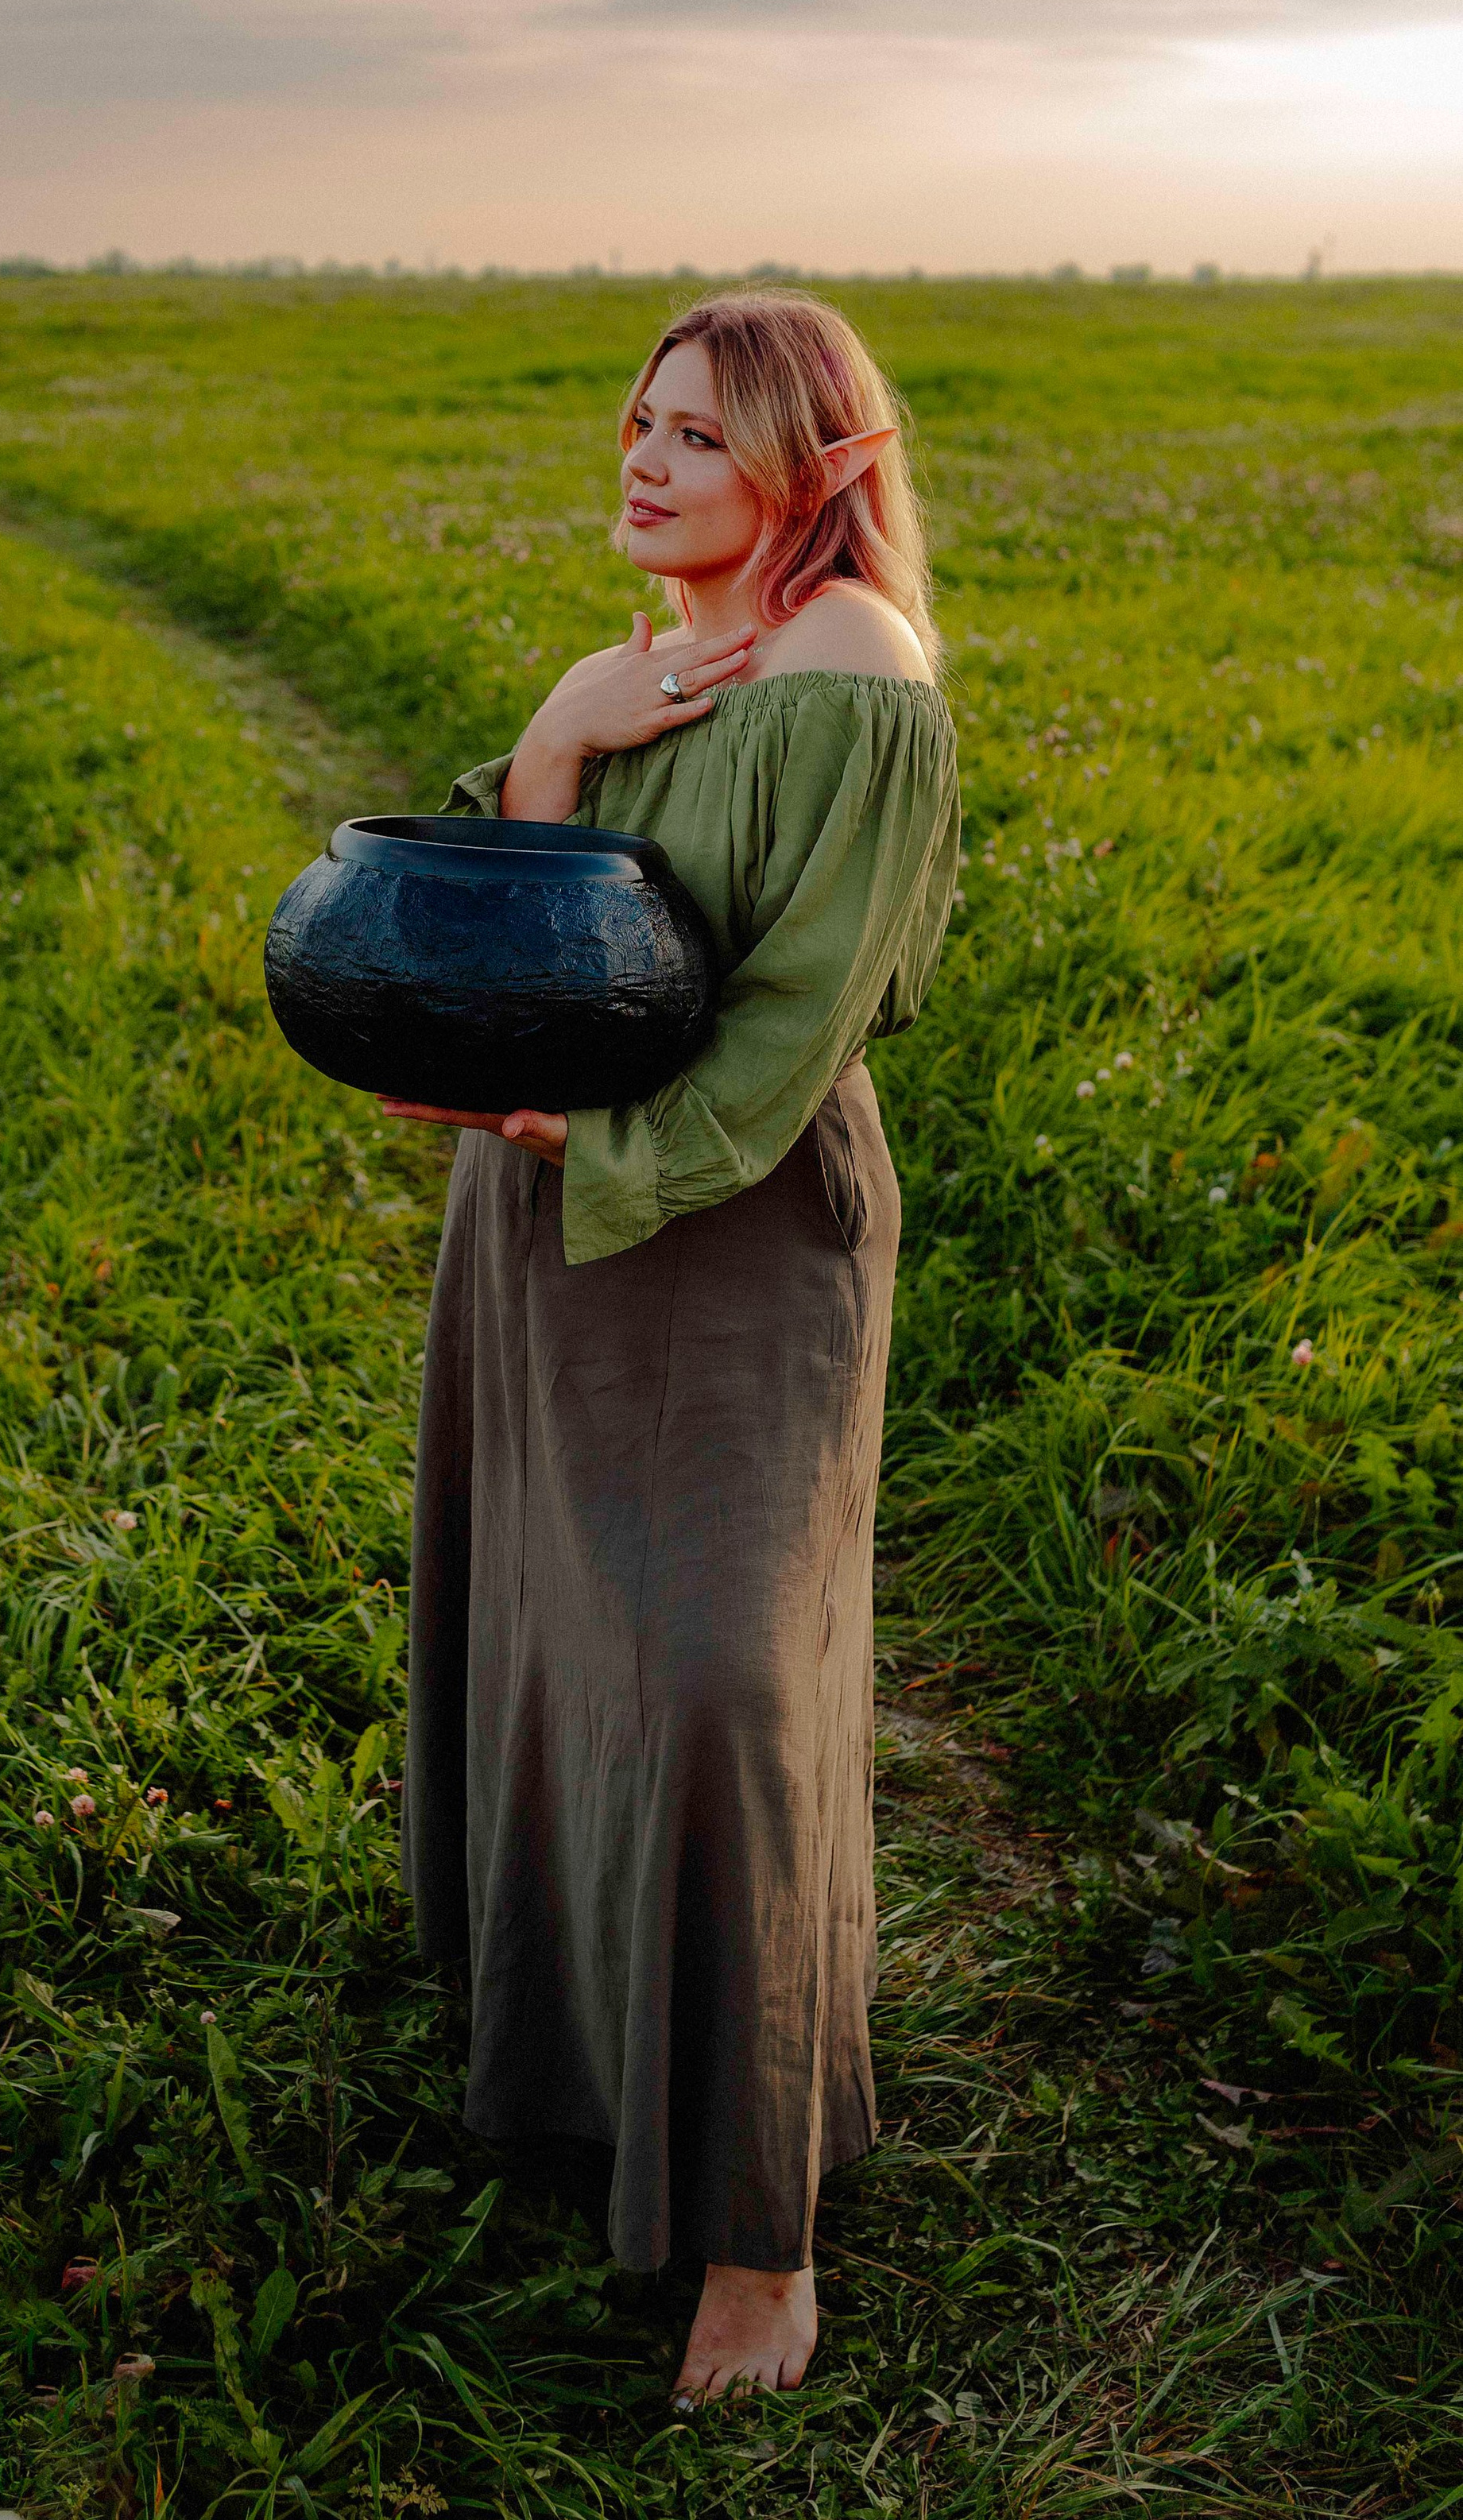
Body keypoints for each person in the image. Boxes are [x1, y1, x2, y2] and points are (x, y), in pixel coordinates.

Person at [379, 288, 961, 2408]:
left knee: (724, 1672)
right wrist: (560, 733)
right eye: (636, 422)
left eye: (697, 438)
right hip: (545, 1219)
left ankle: (756, 2228)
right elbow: (510, 929)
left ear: (814, 467)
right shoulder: (657, 663)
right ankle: (567, 2062)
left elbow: (791, 1029)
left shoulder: (855, 679)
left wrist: (581, 1122)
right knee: (559, 1624)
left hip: (729, 1223)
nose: (640, 460)